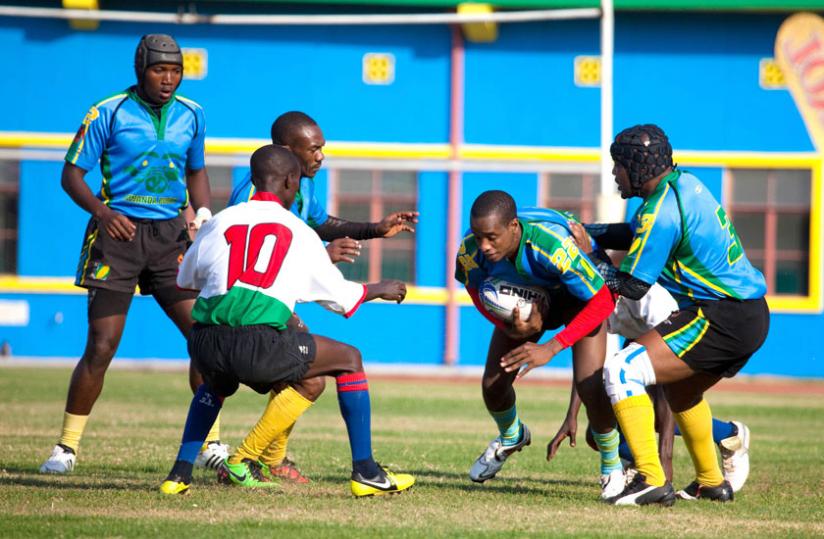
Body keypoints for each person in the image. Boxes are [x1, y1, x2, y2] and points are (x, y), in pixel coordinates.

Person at [159, 145, 415, 497]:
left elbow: (187, 280)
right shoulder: (298, 230)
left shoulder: (221, 220)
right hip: (257, 344)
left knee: (216, 385)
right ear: (291, 181)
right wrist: (380, 288)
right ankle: (366, 471)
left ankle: (179, 474)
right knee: (349, 359)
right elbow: (340, 299)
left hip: (204, 342)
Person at [40, 34, 228, 474]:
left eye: (176, 71)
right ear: (140, 68)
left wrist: (202, 213)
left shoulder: (193, 115)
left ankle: (210, 443)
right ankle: (65, 449)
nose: (168, 80)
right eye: (159, 70)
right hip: (117, 238)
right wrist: (103, 214)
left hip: (171, 241)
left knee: (205, 340)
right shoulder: (107, 112)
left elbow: (196, 170)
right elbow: (71, 175)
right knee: (102, 346)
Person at [221, 111, 419, 484]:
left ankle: (267, 460)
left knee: (304, 379)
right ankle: (245, 458)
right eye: (314, 149)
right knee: (325, 370)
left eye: (322, 148)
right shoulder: (252, 197)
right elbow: (247, 261)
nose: (321, 156)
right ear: (285, 152)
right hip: (244, 308)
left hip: (271, 302)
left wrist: (374, 229)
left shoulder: (301, 184)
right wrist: (326, 259)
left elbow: (318, 223)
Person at [586, 124, 768, 506]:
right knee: (682, 391)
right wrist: (589, 232)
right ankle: (711, 481)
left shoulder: (661, 210)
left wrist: (588, 254)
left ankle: (650, 479)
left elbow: (631, 287)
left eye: (618, 165)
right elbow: (636, 231)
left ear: (637, 166)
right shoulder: (682, 185)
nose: (614, 174)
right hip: (748, 315)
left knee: (622, 370)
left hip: (721, 316)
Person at [455, 192, 623, 499]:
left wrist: (552, 347)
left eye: (491, 237)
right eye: (478, 236)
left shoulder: (552, 244)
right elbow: (475, 289)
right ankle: (512, 436)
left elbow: (603, 300)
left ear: (514, 227)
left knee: (589, 385)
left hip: (579, 298)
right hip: (530, 302)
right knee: (493, 384)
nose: (483, 246)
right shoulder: (470, 248)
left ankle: (612, 466)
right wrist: (507, 325)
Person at [546, 273, 752, 492]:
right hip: (638, 341)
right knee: (597, 433)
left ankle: (728, 434)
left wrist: (666, 460)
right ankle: (638, 464)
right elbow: (590, 367)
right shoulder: (588, 303)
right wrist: (571, 415)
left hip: (677, 338)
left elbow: (667, 394)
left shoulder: (648, 299)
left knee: (662, 413)